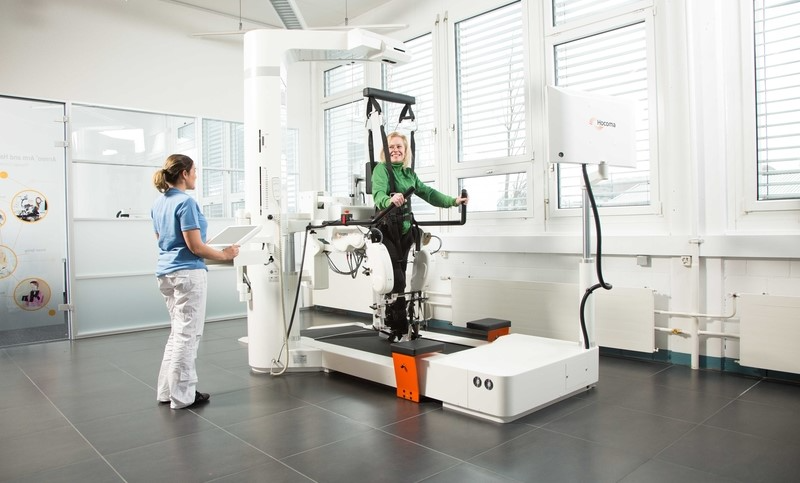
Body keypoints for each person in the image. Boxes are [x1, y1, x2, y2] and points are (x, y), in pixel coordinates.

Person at [151, 154, 239, 409]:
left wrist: (205, 246)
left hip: (166, 273)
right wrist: (225, 254)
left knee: (177, 334)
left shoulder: (159, 203)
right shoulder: (186, 203)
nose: (196, 175)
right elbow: (195, 247)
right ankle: (183, 397)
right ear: (184, 174)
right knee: (188, 336)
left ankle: (166, 392)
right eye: (195, 171)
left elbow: (166, 240)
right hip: (187, 274)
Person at [371, 131, 468, 341]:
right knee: (396, 278)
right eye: (391, 147)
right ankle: (397, 322)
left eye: (399, 147)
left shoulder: (408, 174)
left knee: (402, 278)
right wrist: (389, 199)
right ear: (385, 151)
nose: (395, 150)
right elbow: (378, 194)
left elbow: (428, 193)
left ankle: (397, 319)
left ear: (405, 151)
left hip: (405, 230)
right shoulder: (381, 170)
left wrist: (454, 201)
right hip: (387, 229)